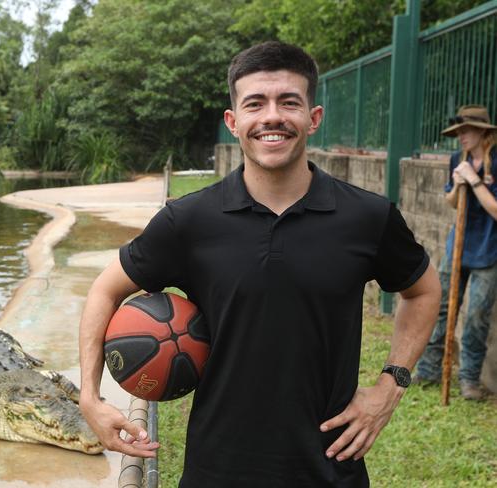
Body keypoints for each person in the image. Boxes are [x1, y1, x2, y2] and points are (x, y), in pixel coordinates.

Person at [78, 41, 441, 487]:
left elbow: (423, 290)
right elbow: (105, 289)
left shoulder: (367, 217)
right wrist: (90, 399)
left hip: (329, 470)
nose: (272, 116)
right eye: (255, 104)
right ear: (234, 122)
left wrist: (391, 385)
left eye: (289, 102)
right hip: (216, 470)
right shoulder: (189, 221)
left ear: (314, 117)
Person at [414, 105, 497, 401]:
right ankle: (429, 370)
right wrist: (459, 183)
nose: (460, 136)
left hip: (490, 250)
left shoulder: (495, 161)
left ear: (482, 132)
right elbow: (451, 201)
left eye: (466, 131)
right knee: (442, 308)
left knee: (476, 315)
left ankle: (469, 380)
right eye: (458, 131)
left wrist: (473, 181)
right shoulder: (456, 159)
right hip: (457, 247)